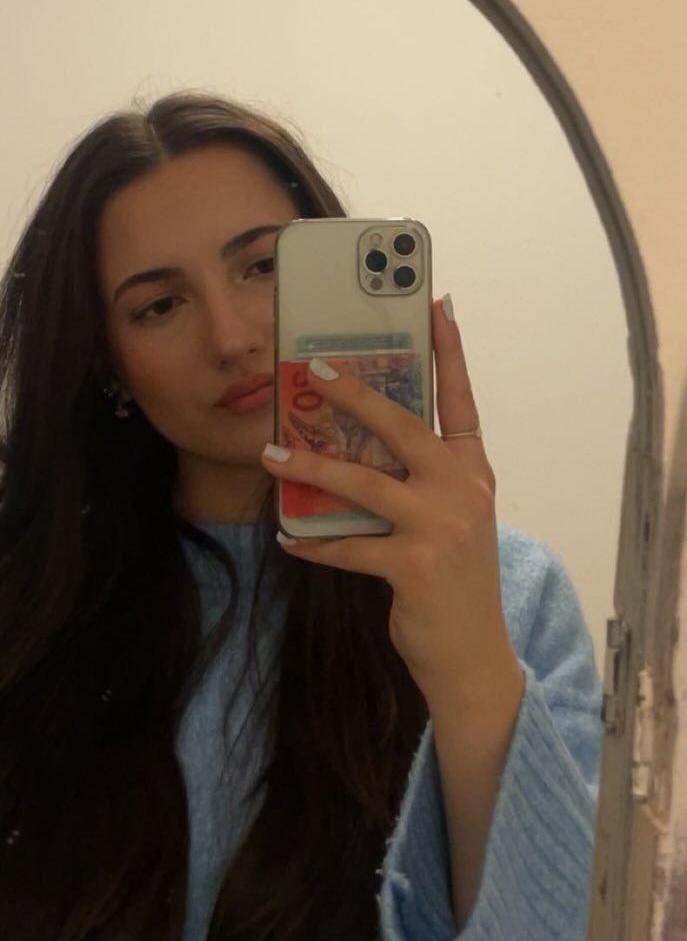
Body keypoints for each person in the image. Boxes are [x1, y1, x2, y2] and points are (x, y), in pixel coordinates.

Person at [0, 92, 602, 939]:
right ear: (108, 365)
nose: (232, 336)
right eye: (159, 305)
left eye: (263, 267)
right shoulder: (28, 605)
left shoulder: (513, 593)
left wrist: (473, 672)